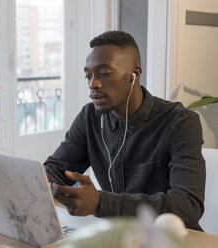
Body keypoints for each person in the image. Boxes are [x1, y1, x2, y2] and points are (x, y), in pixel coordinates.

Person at [44, 30, 205, 231]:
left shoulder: (180, 123)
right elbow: (55, 169)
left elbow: (188, 207)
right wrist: (44, 181)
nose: (93, 83)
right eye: (88, 75)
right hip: (120, 237)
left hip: (171, 240)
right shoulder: (89, 118)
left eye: (104, 74)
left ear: (134, 75)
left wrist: (101, 203)